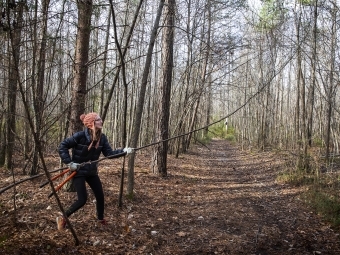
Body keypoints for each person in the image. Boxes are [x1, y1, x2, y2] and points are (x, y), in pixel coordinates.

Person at [56, 112, 133, 230]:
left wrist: (124, 151)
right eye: (98, 120)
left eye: (100, 119)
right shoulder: (80, 136)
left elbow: (109, 154)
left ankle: (100, 219)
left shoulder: (102, 138)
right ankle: (63, 217)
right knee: (82, 200)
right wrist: (70, 163)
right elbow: (62, 146)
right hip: (78, 171)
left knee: (100, 196)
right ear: (92, 123)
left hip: (91, 172)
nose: (101, 121)